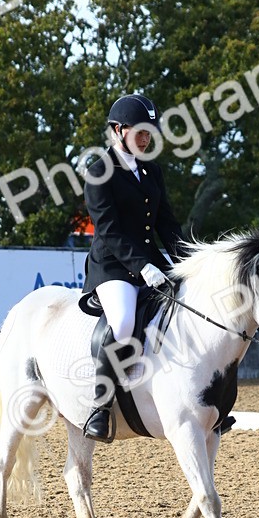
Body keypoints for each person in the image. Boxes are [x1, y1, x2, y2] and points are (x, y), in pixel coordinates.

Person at [79, 93, 184, 442]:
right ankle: (101, 405)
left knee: (188, 307)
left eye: (149, 132)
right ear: (118, 130)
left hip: (150, 262)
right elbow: (108, 232)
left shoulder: (152, 171)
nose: (146, 137)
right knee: (123, 322)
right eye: (139, 131)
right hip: (111, 267)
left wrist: (184, 261)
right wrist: (143, 267)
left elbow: (166, 224)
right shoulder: (99, 172)